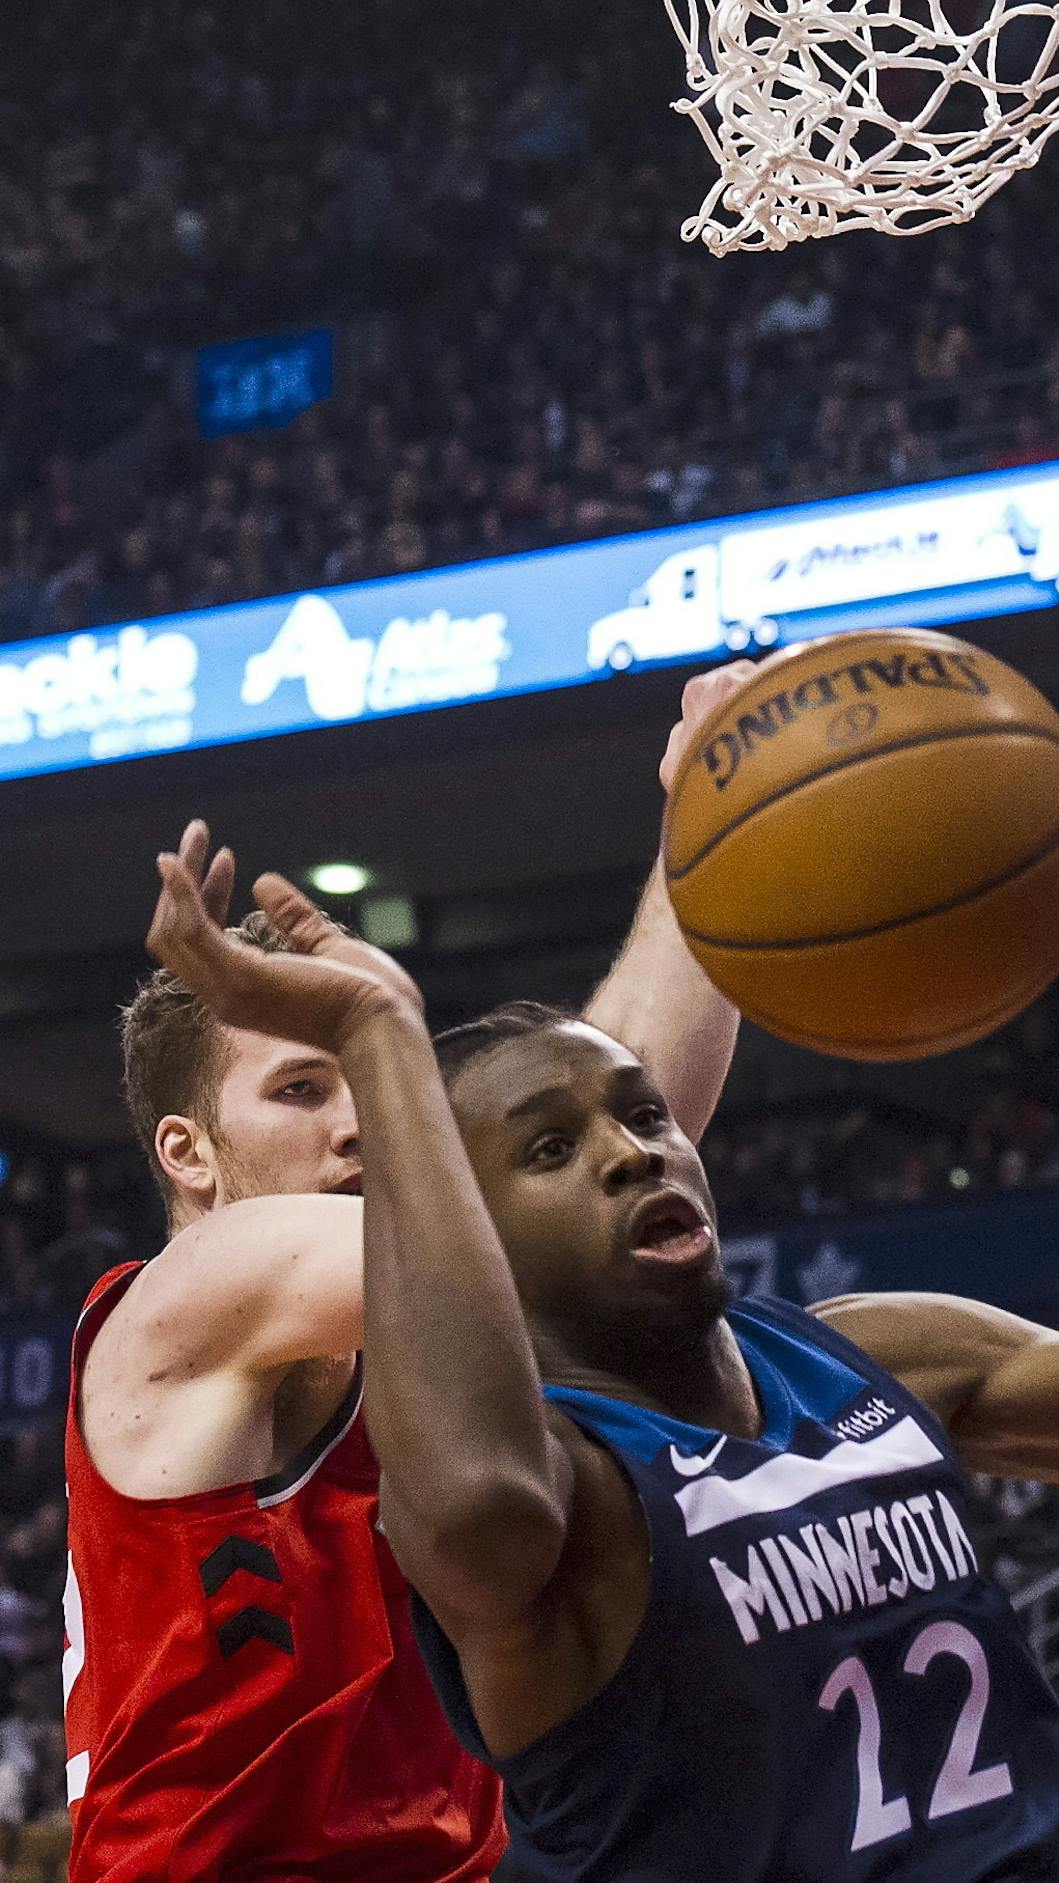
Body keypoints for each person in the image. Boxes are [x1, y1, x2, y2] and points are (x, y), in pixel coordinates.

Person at [147, 828, 1059, 1883]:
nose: (636, 1150)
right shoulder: (554, 1487)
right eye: (548, 1149)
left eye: (643, 1114)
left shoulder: (879, 1353)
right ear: (466, 1240)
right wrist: (376, 1034)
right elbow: (475, 1514)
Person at [61, 670, 747, 1883]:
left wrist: (718, 814)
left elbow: (602, 1130)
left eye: (370, 1077)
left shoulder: (430, 1327)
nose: (362, 1124)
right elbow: (571, 1199)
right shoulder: (191, 1292)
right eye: (300, 1088)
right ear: (188, 1153)